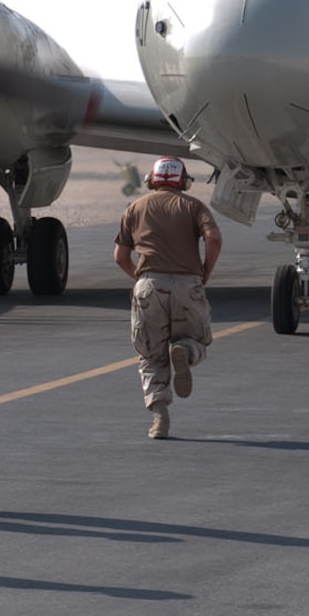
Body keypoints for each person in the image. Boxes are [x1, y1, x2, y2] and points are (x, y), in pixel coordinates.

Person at [113, 156, 221, 439]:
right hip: (188, 285)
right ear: (184, 182)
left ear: (151, 180)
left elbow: (120, 256)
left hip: (149, 285)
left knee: (150, 355)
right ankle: (185, 351)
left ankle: (160, 418)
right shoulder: (194, 206)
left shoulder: (135, 208)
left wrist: (141, 278)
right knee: (199, 339)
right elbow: (214, 238)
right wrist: (204, 272)